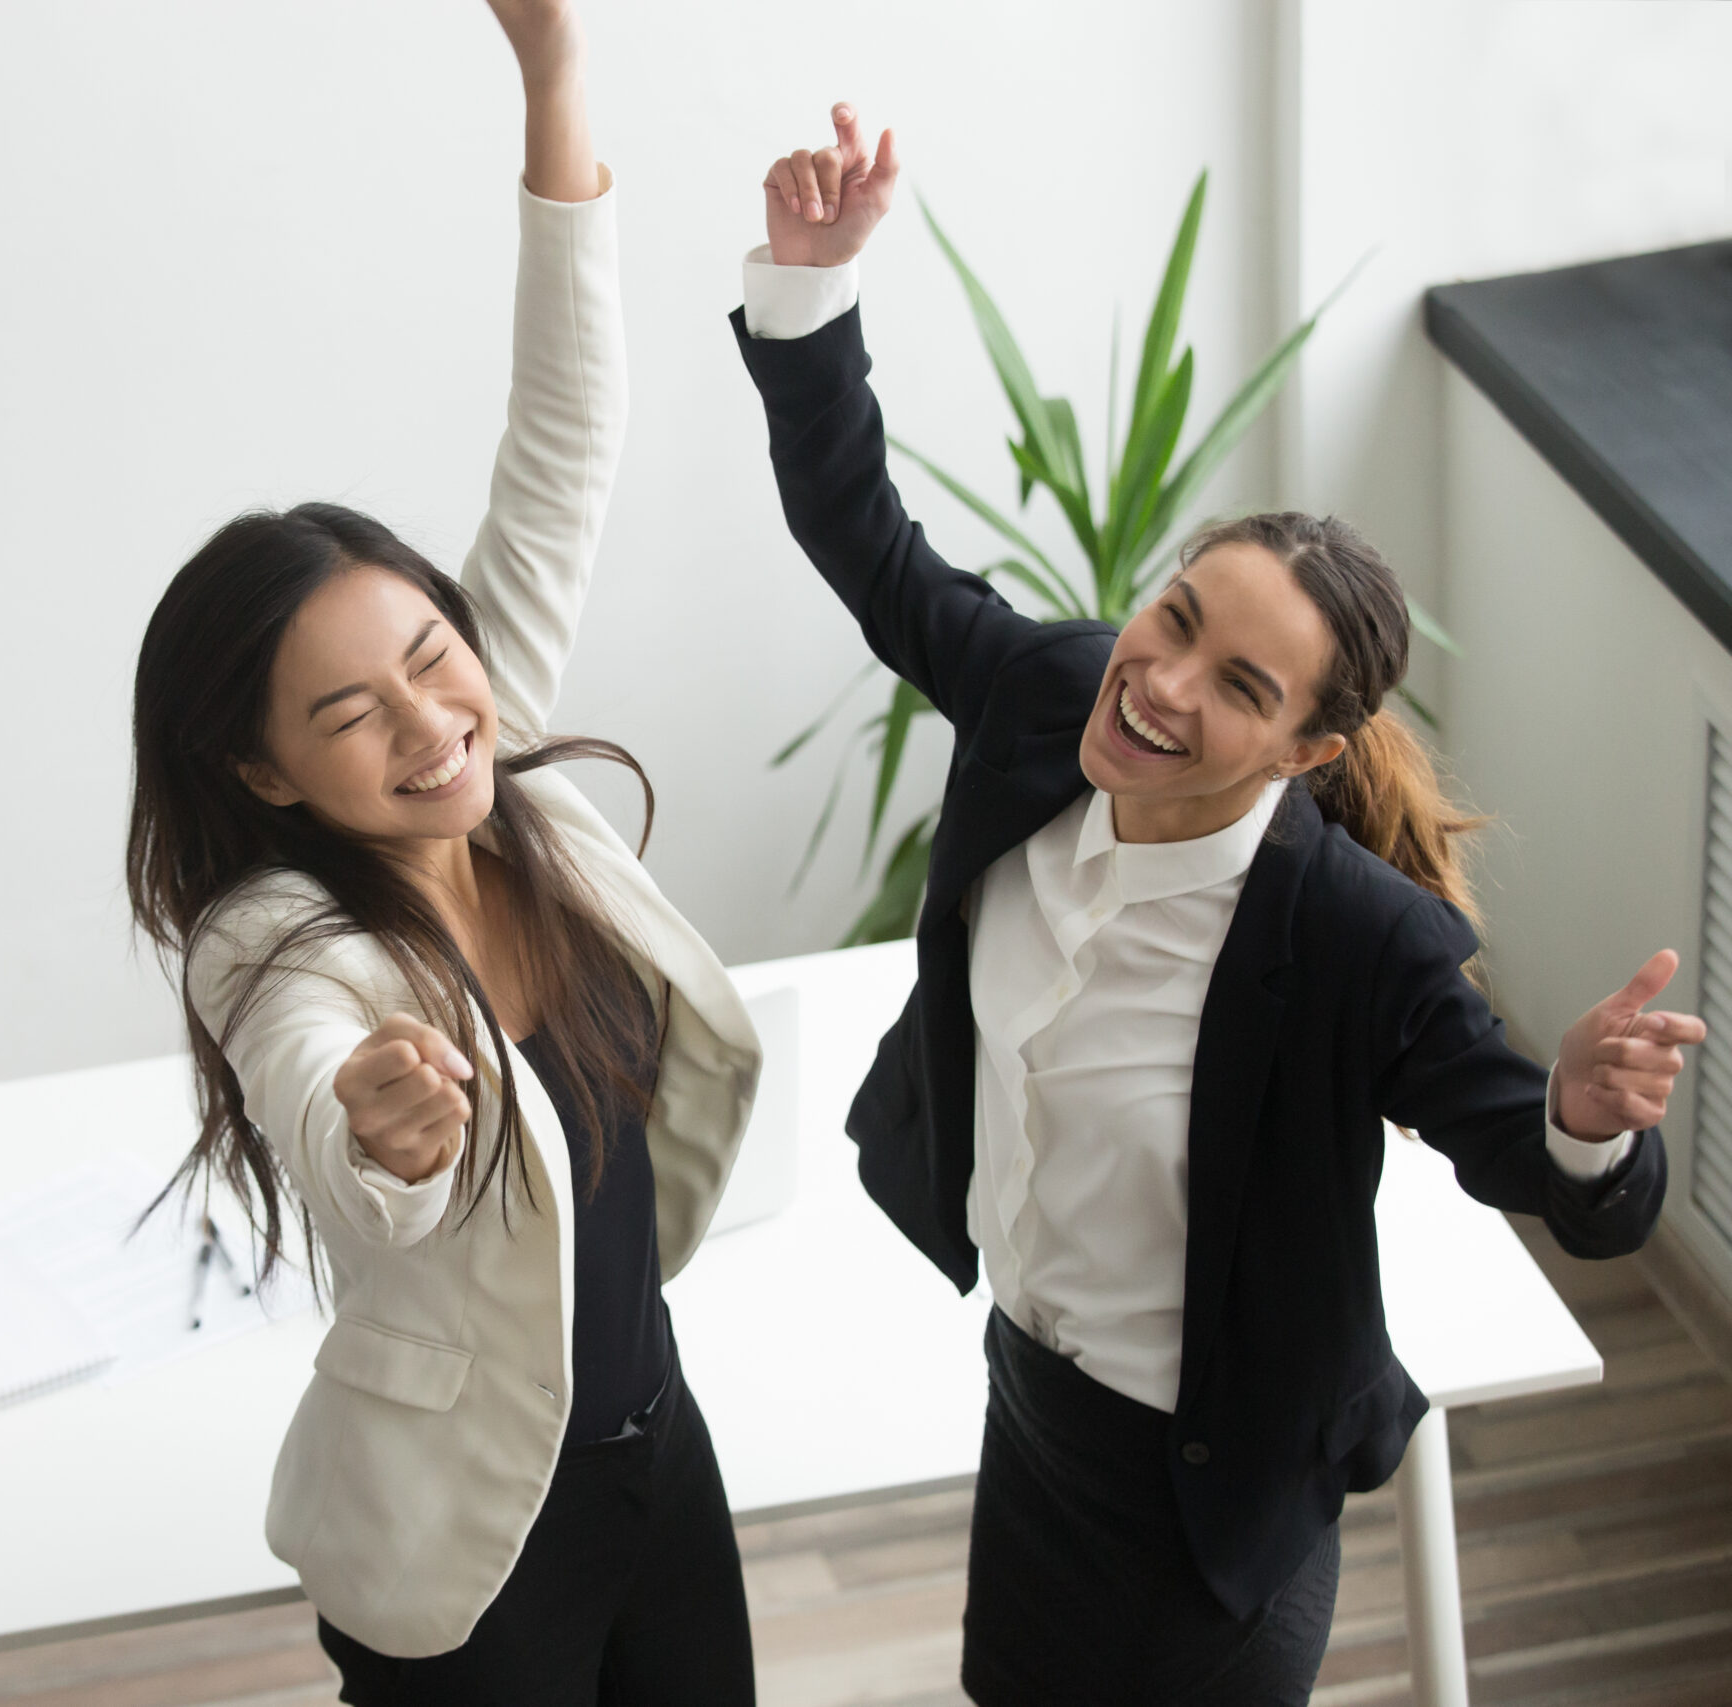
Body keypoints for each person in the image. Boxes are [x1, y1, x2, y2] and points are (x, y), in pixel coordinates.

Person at [731, 107, 1697, 1705]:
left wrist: (1590, 1117)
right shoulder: (1051, 692)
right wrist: (812, 288)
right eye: (1173, 617)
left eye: (1237, 683)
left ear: (1308, 749)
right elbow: (871, 546)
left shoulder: (1353, 944)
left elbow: (1544, 1162)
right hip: (1034, 1402)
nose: (1160, 683)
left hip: (1212, 1492)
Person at [123, 3, 761, 1699]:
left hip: (653, 1442)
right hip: (474, 1544)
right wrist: (380, 1132)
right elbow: (322, 1096)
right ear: (261, 766)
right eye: (350, 717)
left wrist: (553, 78)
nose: (429, 725)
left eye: (432, 657)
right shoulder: (270, 941)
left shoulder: (504, 771)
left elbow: (563, 441)